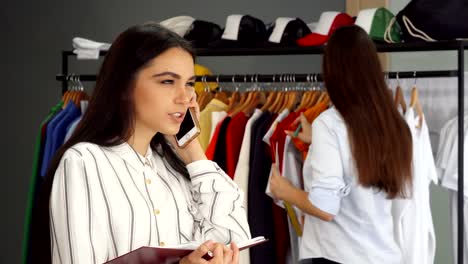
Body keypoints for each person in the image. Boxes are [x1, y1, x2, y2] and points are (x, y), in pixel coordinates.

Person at [30, 22, 250, 264]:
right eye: (168, 81)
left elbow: (233, 240)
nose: (186, 96)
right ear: (124, 86)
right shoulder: (83, 162)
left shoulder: (177, 170)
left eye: (189, 83)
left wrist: (193, 151)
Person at [269, 25, 413, 264]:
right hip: (385, 255)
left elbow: (325, 207)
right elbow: (360, 164)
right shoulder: (394, 124)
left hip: (339, 257)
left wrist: (285, 191)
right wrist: (317, 143)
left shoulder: (329, 124)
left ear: (332, 71)